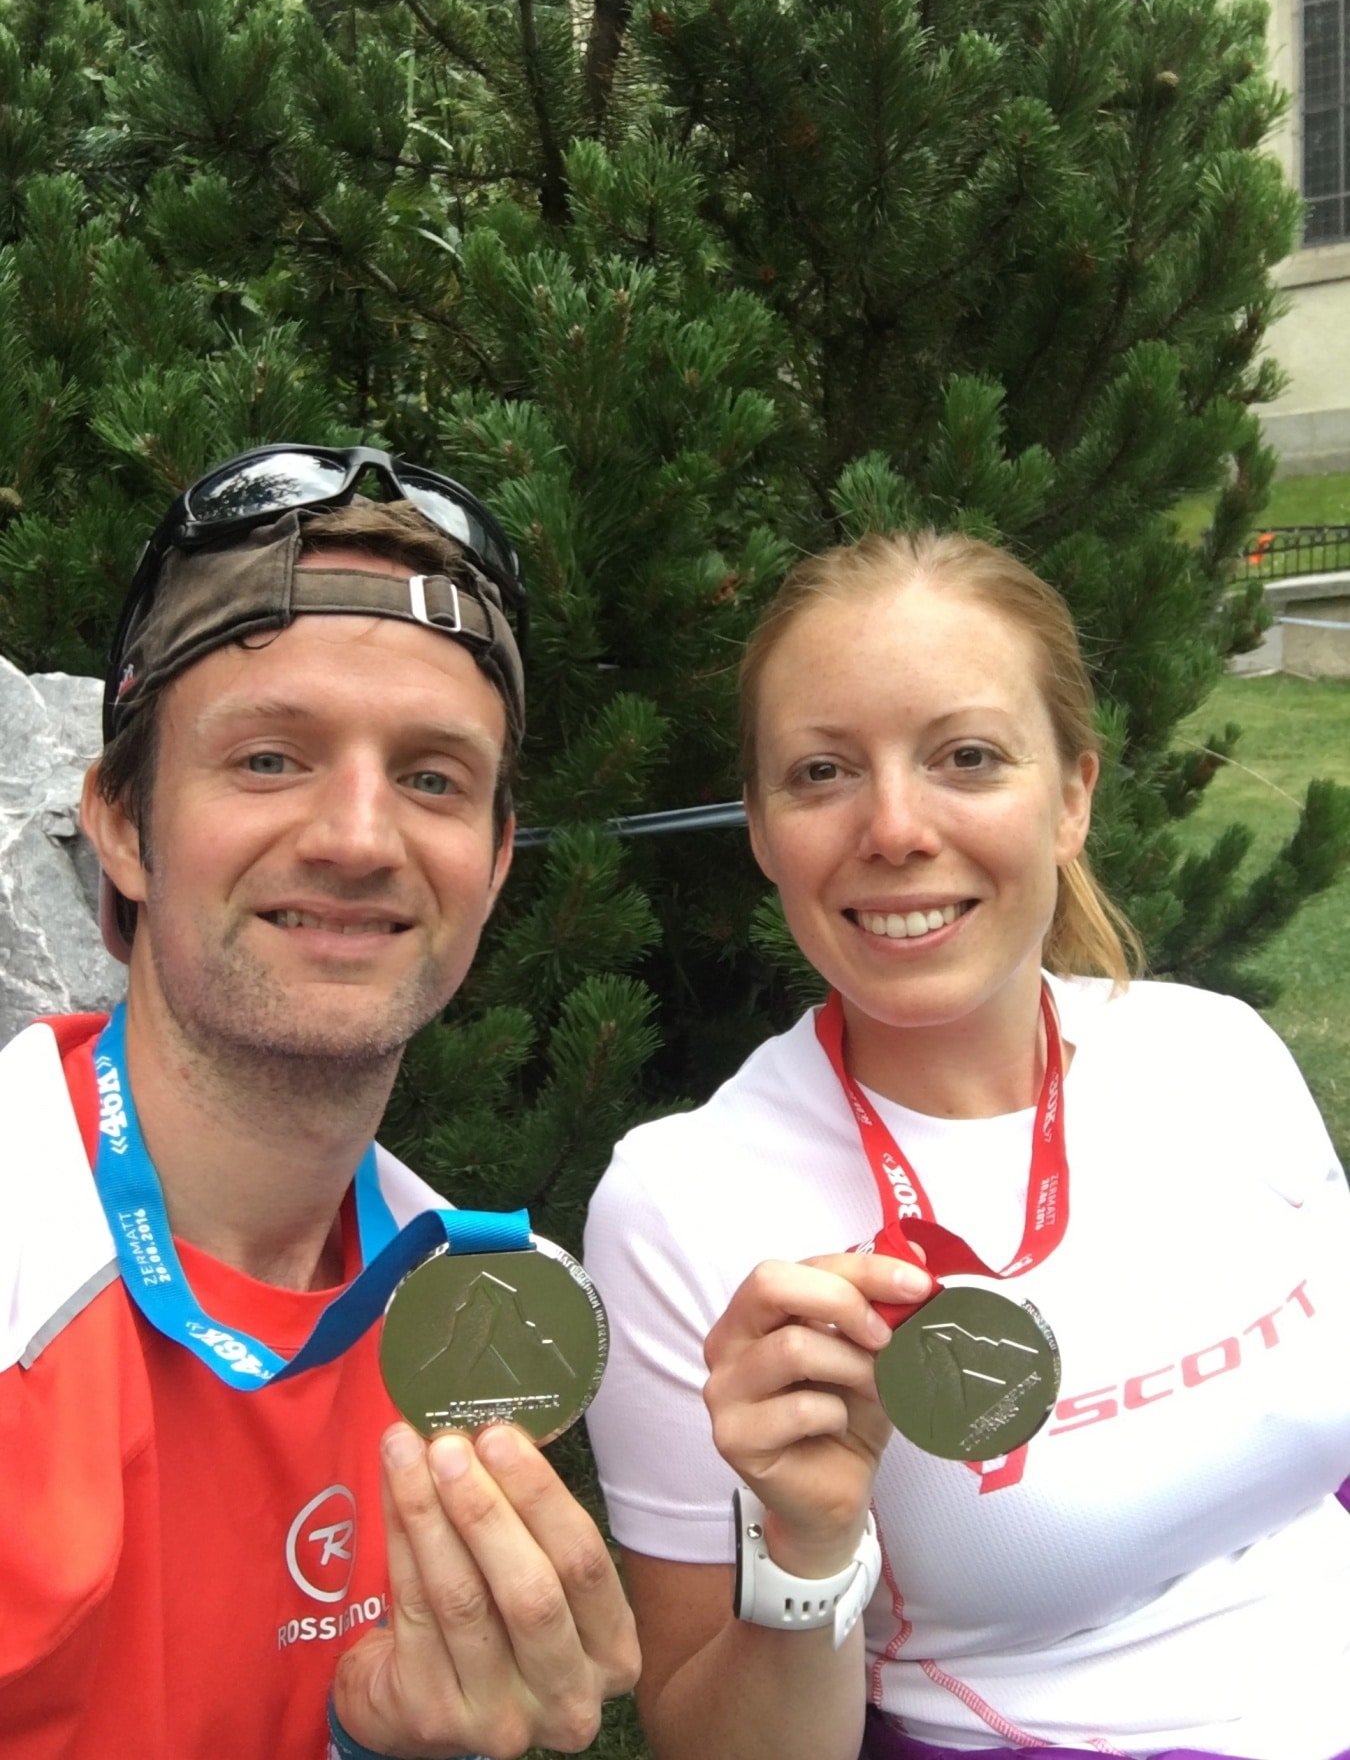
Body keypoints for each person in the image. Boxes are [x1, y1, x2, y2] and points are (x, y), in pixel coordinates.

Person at [583, 529, 1350, 1760]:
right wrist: (808, 1546)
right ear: (766, 833)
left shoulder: (1222, 1058)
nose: (894, 827)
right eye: (823, 771)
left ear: (1073, 798)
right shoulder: (685, 1204)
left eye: (969, 757)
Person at [0, 446, 639, 1760]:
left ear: (494, 862)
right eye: (271, 759)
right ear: (121, 824)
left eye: (431, 778)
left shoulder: (466, 1321)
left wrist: (378, 1743)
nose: (357, 837)